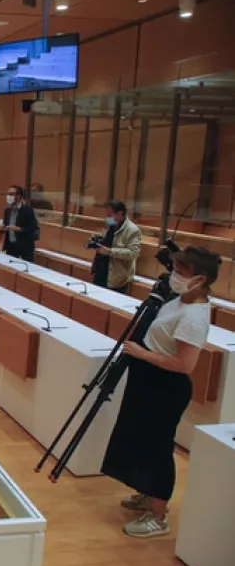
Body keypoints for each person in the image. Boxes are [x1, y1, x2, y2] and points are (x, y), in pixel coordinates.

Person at [102, 246, 220, 538]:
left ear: (200, 279)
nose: (174, 276)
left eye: (181, 272)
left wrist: (142, 354)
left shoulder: (194, 316)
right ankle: (148, 492)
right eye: (175, 270)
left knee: (157, 448)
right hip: (148, 380)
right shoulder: (179, 300)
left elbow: (185, 364)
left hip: (165, 387)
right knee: (140, 441)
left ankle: (158, 514)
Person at [91, 200, 142, 293]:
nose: (107, 218)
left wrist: (110, 251)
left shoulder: (132, 230)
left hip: (116, 278)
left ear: (120, 213)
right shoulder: (111, 223)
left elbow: (133, 253)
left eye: (110, 215)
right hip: (100, 271)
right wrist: (97, 240)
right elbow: (106, 240)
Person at [0, 185, 39, 262]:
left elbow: (33, 228)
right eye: (8, 194)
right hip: (11, 248)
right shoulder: (7, 210)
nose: (8, 196)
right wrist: (2, 228)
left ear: (19, 196)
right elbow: (6, 227)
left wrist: (19, 229)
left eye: (11, 194)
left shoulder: (27, 210)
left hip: (25, 249)